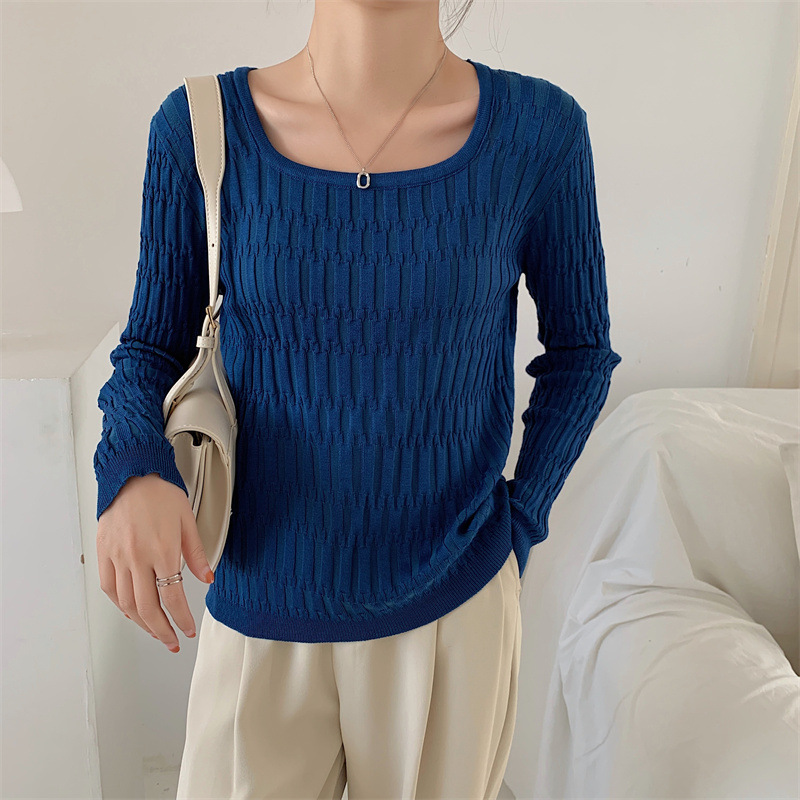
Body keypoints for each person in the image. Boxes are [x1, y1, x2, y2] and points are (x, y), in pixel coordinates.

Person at [93, 1, 622, 797]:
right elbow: (149, 349)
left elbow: (580, 354)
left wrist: (519, 525)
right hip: (261, 607)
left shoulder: (539, 134)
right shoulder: (201, 130)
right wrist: (134, 469)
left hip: (453, 615)